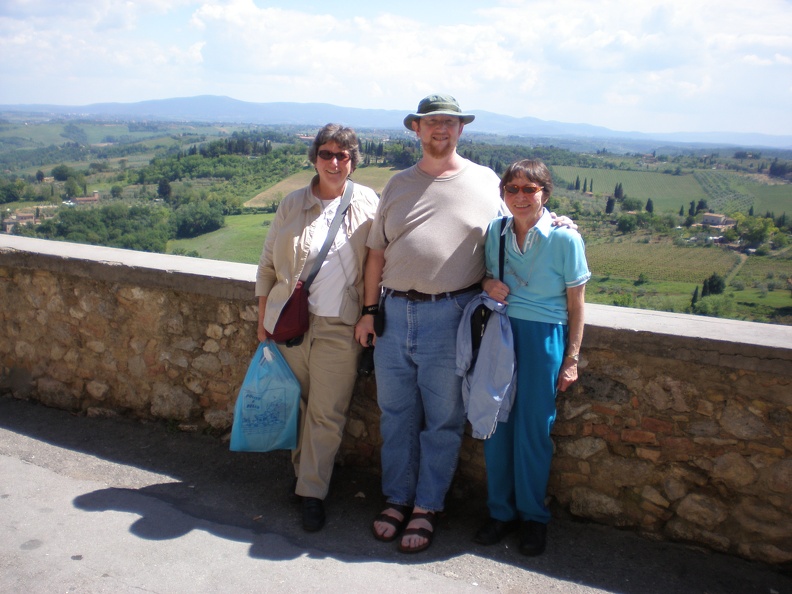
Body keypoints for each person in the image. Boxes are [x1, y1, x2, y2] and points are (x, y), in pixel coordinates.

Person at [356, 94, 575, 554]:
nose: (441, 130)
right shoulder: (396, 184)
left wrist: (558, 222)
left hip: (452, 314)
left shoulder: (485, 181)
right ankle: (397, 499)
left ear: (460, 130)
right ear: (416, 129)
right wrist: (368, 310)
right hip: (393, 314)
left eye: (450, 123)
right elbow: (376, 253)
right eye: (432, 122)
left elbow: (519, 222)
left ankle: (427, 507)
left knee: (443, 421)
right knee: (396, 417)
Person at [256, 123, 378, 532]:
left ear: (353, 161)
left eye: (343, 155)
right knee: (300, 406)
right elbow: (268, 267)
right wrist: (262, 322)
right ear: (315, 158)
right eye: (326, 154)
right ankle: (304, 476)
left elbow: (389, 249)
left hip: (339, 326)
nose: (334, 161)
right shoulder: (292, 204)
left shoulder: (367, 203)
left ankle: (311, 492)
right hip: (290, 324)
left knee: (327, 413)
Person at [473, 159, 590, 556]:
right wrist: (489, 281)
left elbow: (577, 306)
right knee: (496, 423)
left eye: (529, 189)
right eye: (512, 189)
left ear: (545, 192)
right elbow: (485, 277)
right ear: (503, 194)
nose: (520, 196)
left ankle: (532, 518)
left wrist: (571, 358)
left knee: (534, 429)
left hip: (544, 336)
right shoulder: (497, 232)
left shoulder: (565, 240)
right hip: (502, 333)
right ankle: (500, 513)